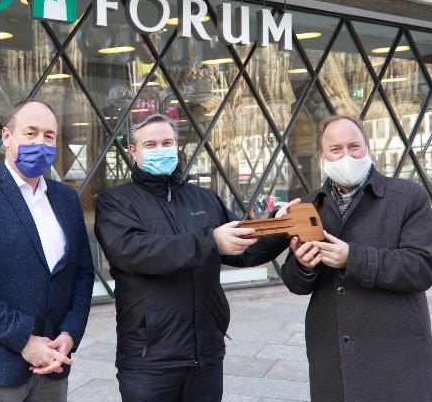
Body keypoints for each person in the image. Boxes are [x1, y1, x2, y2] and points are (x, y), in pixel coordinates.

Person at [94, 113, 290, 402]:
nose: (161, 149)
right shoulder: (116, 202)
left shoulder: (204, 199)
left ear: (177, 147)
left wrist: (280, 225)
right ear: (133, 152)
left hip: (206, 353)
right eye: (151, 144)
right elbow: (134, 252)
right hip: (150, 359)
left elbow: (246, 246)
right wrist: (210, 241)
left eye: (167, 142)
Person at [279, 115, 432, 402]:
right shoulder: (308, 206)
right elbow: (295, 282)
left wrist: (351, 258)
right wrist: (303, 266)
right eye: (336, 149)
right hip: (334, 357)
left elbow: (422, 268)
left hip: (397, 355)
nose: (346, 155)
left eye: (354, 146)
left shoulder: (407, 197)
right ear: (322, 156)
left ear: (368, 147)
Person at [0, 99, 94, 402]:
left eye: (49, 135)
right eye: (30, 133)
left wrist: (69, 335)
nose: (41, 142)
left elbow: (82, 273)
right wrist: (24, 342)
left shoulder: (66, 200)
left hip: (53, 365)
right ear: (6, 137)